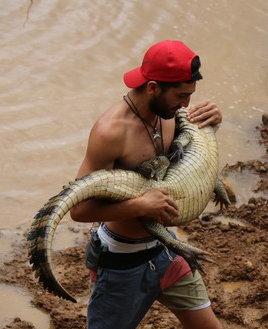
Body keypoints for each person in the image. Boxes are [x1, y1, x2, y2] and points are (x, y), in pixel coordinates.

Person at [70, 40, 223, 329]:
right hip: (122, 264)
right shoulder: (110, 132)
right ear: (153, 87)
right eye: (181, 96)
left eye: (190, 95)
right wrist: (140, 205)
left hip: (168, 249)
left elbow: (192, 158)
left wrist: (213, 124)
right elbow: (78, 211)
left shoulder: (170, 114)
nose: (186, 105)